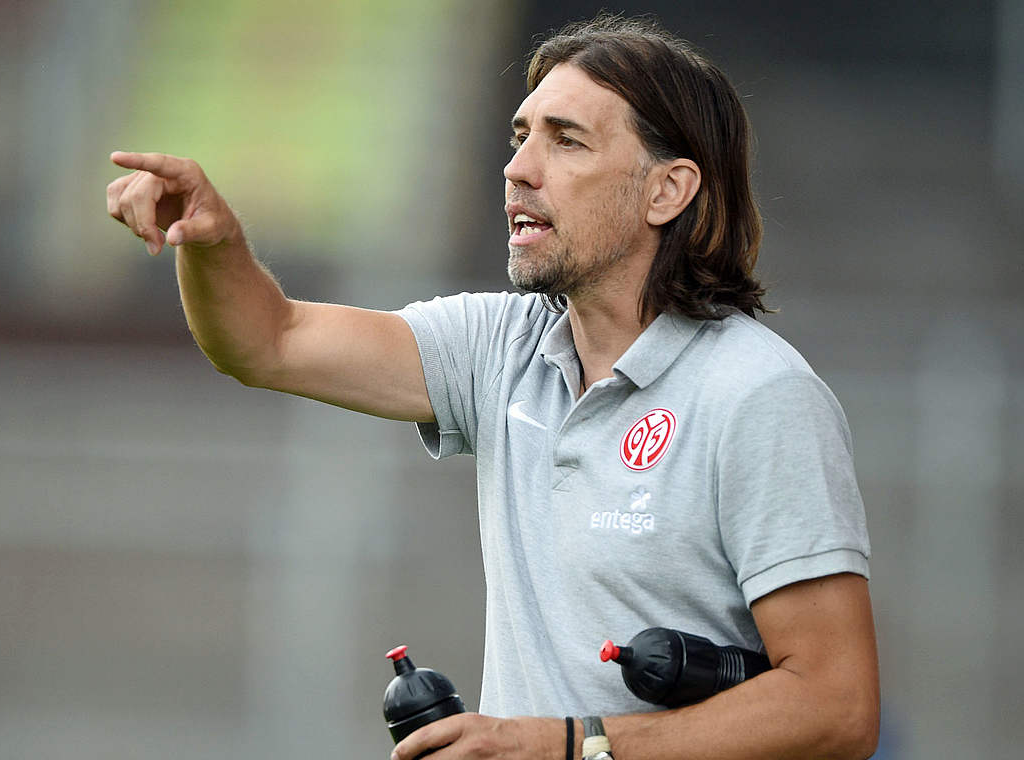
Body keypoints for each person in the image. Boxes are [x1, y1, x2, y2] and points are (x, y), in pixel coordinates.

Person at [106, 14, 878, 760]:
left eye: (565, 141)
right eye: (520, 138)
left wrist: (574, 747)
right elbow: (270, 342)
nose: (517, 169)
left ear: (667, 190)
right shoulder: (499, 345)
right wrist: (211, 242)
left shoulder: (758, 392)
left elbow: (837, 707)